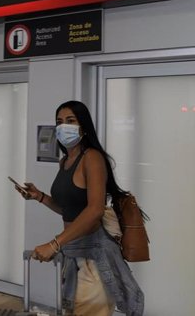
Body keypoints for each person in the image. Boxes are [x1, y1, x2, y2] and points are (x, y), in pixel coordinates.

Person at [17, 100, 144, 316]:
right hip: (73, 252)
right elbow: (69, 210)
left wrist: (54, 243)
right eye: (59, 122)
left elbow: (94, 211)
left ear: (83, 127)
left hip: (94, 255)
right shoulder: (65, 161)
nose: (63, 126)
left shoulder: (92, 158)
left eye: (70, 121)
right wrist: (39, 197)